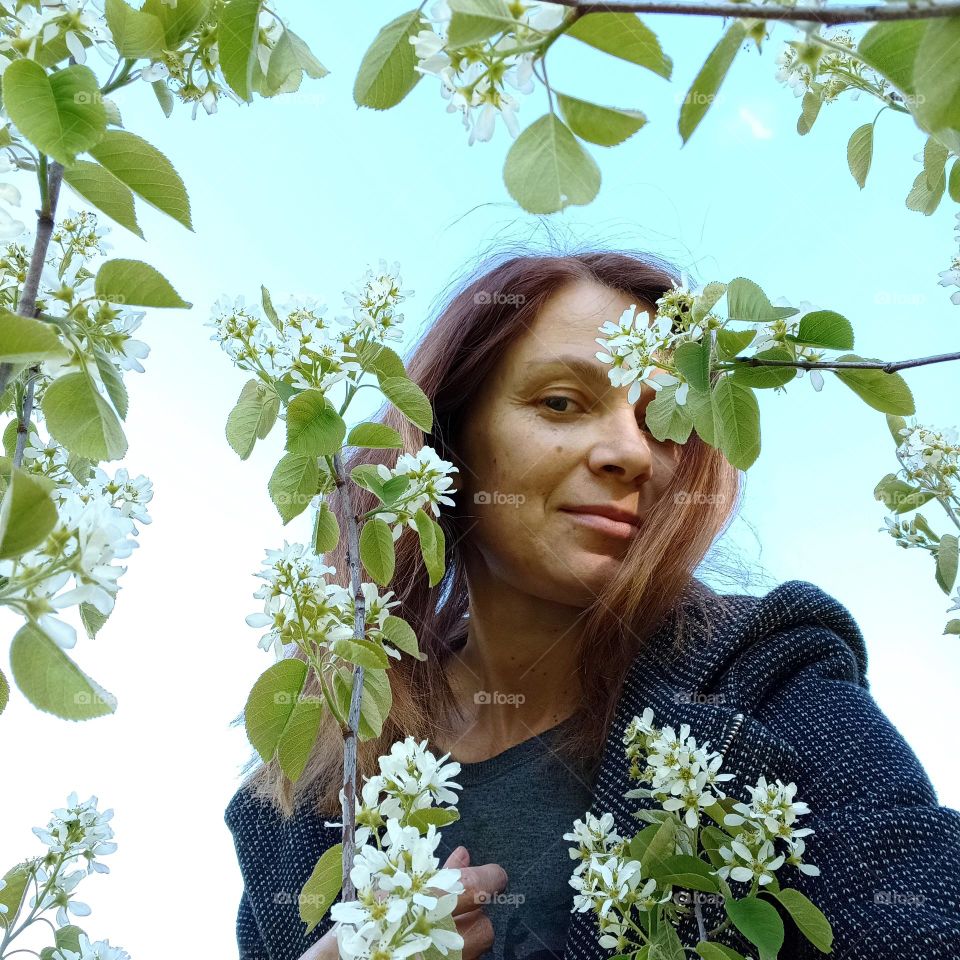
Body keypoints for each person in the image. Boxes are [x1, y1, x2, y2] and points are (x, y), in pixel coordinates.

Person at [225, 249, 960, 960]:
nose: (632, 454)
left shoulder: (763, 674)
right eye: (562, 403)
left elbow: (922, 914)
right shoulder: (299, 795)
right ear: (446, 443)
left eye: (662, 421)